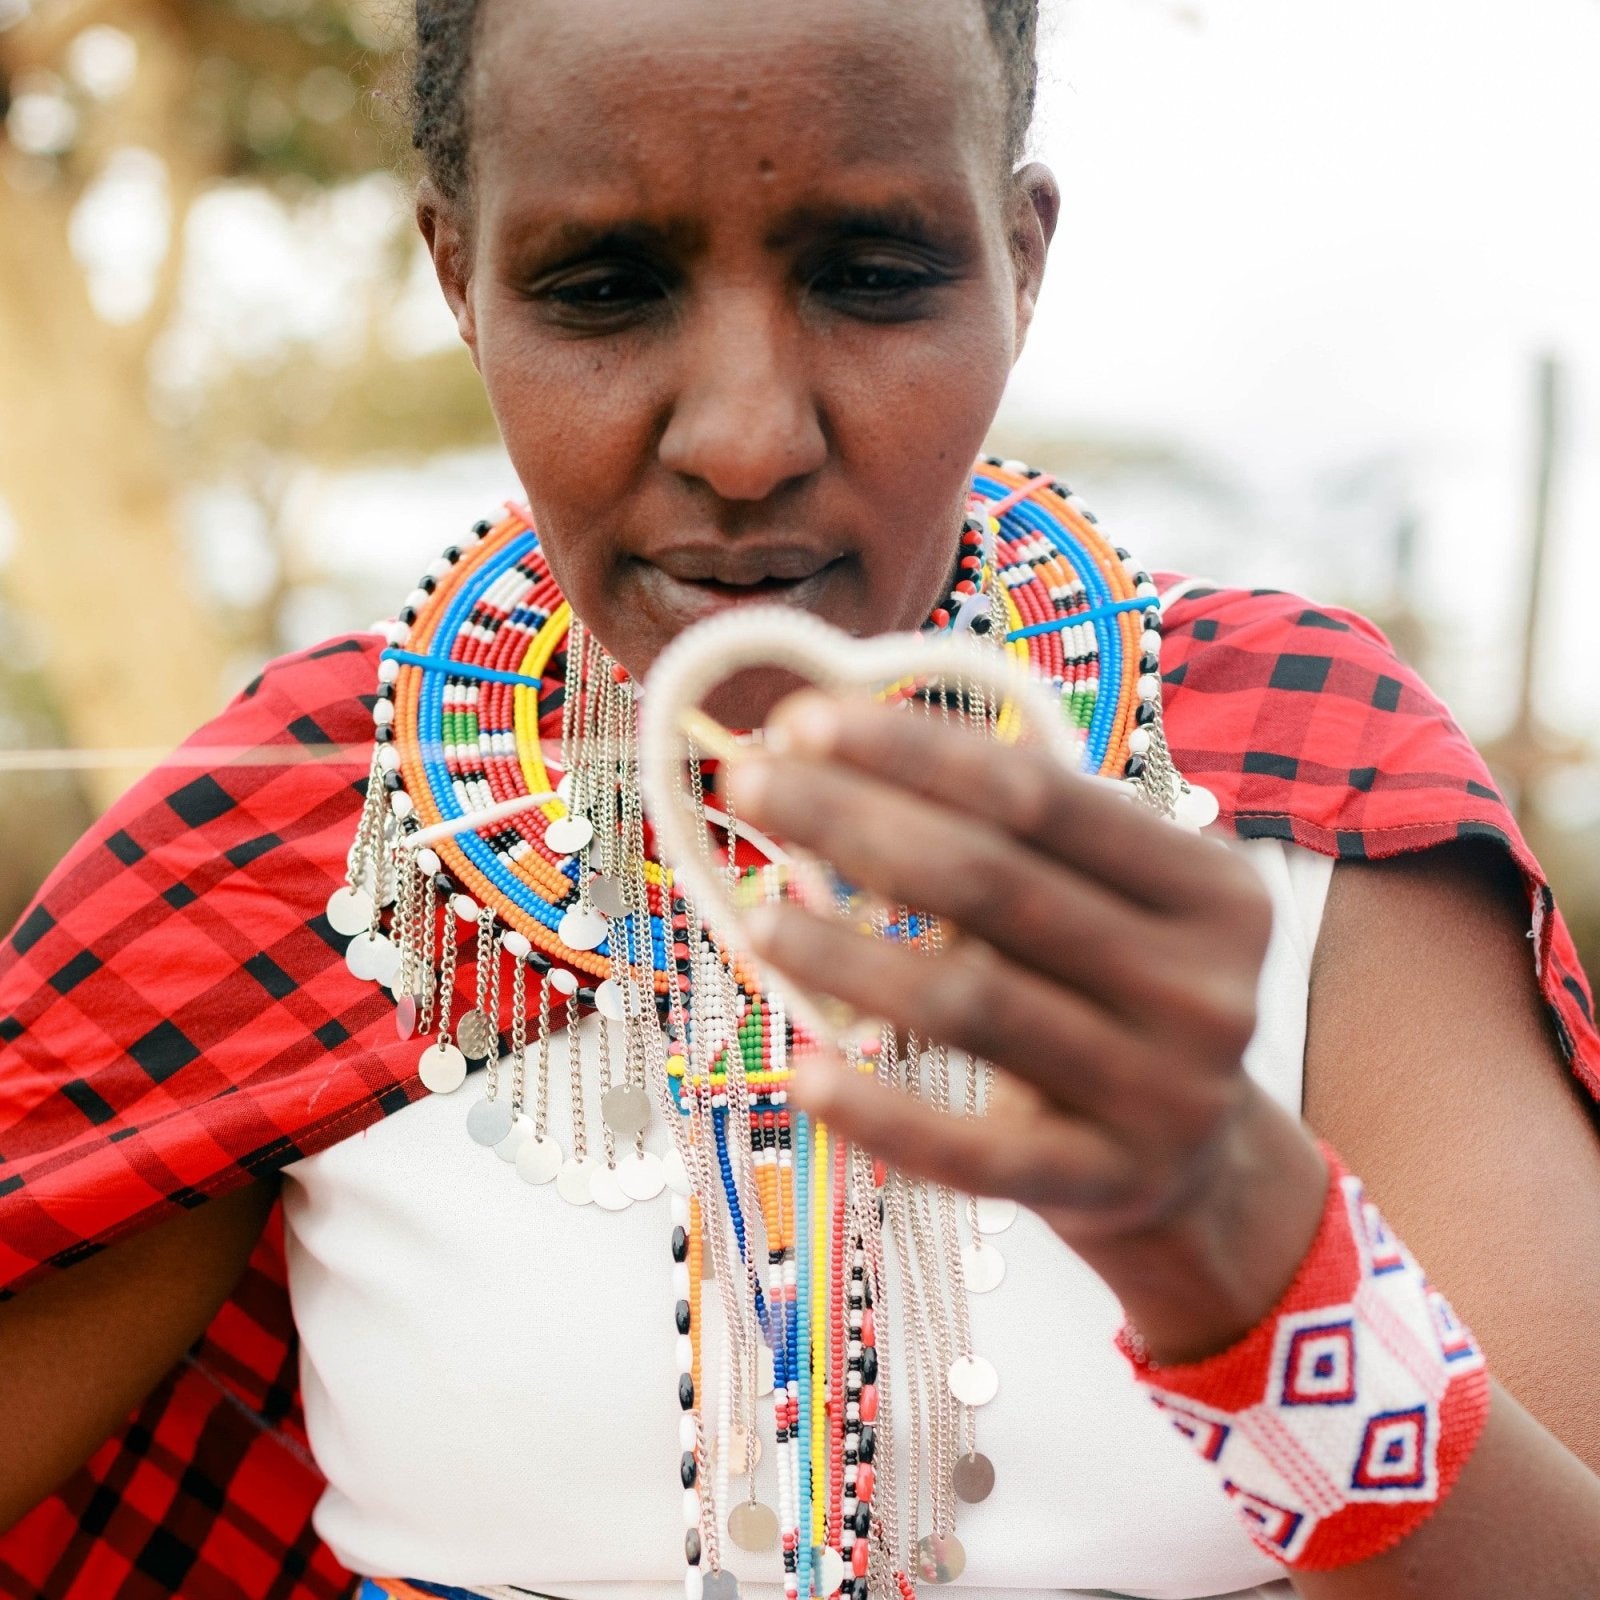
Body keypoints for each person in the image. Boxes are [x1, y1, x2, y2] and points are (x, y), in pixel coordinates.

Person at [2, 2, 1599, 1598]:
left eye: (873, 274)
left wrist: (1241, 1236)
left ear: (1022, 262)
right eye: (605, 287)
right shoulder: (317, 822)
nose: (748, 439)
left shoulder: (1298, 777)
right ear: (456, 278)